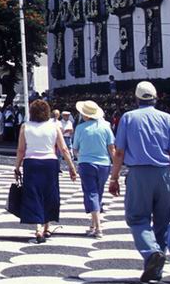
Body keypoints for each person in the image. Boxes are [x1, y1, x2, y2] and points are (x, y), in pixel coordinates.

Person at [108, 81, 170, 283]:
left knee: (137, 219)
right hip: (165, 174)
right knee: (161, 223)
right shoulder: (167, 119)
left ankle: (151, 253)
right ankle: (155, 270)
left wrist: (114, 177)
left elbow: (119, 152)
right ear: (156, 97)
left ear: (136, 98)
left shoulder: (128, 118)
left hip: (139, 175)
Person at [14, 99, 77, 243]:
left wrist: (17, 166)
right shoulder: (54, 127)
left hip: (31, 163)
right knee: (49, 193)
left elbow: (21, 149)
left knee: (33, 193)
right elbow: (64, 149)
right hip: (50, 163)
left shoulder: (25, 126)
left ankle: (38, 228)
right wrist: (71, 168)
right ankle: (47, 226)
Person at [72, 100, 115, 238]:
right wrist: (116, 168)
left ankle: (98, 227)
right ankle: (93, 224)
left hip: (86, 163)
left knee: (91, 193)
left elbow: (75, 149)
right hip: (104, 164)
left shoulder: (80, 128)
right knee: (98, 193)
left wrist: (80, 157)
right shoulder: (106, 127)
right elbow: (111, 148)